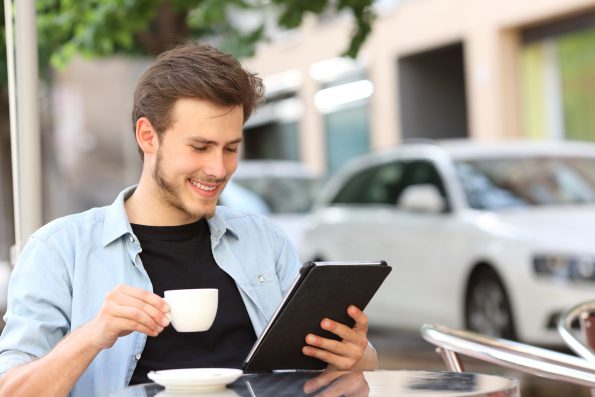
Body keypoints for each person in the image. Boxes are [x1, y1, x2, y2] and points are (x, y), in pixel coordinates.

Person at [0, 43, 377, 397]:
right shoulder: (60, 250)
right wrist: (93, 335)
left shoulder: (264, 240)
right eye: (200, 147)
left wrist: (354, 354)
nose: (218, 168)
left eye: (230, 148)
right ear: (148, 136)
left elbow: (359, 370)